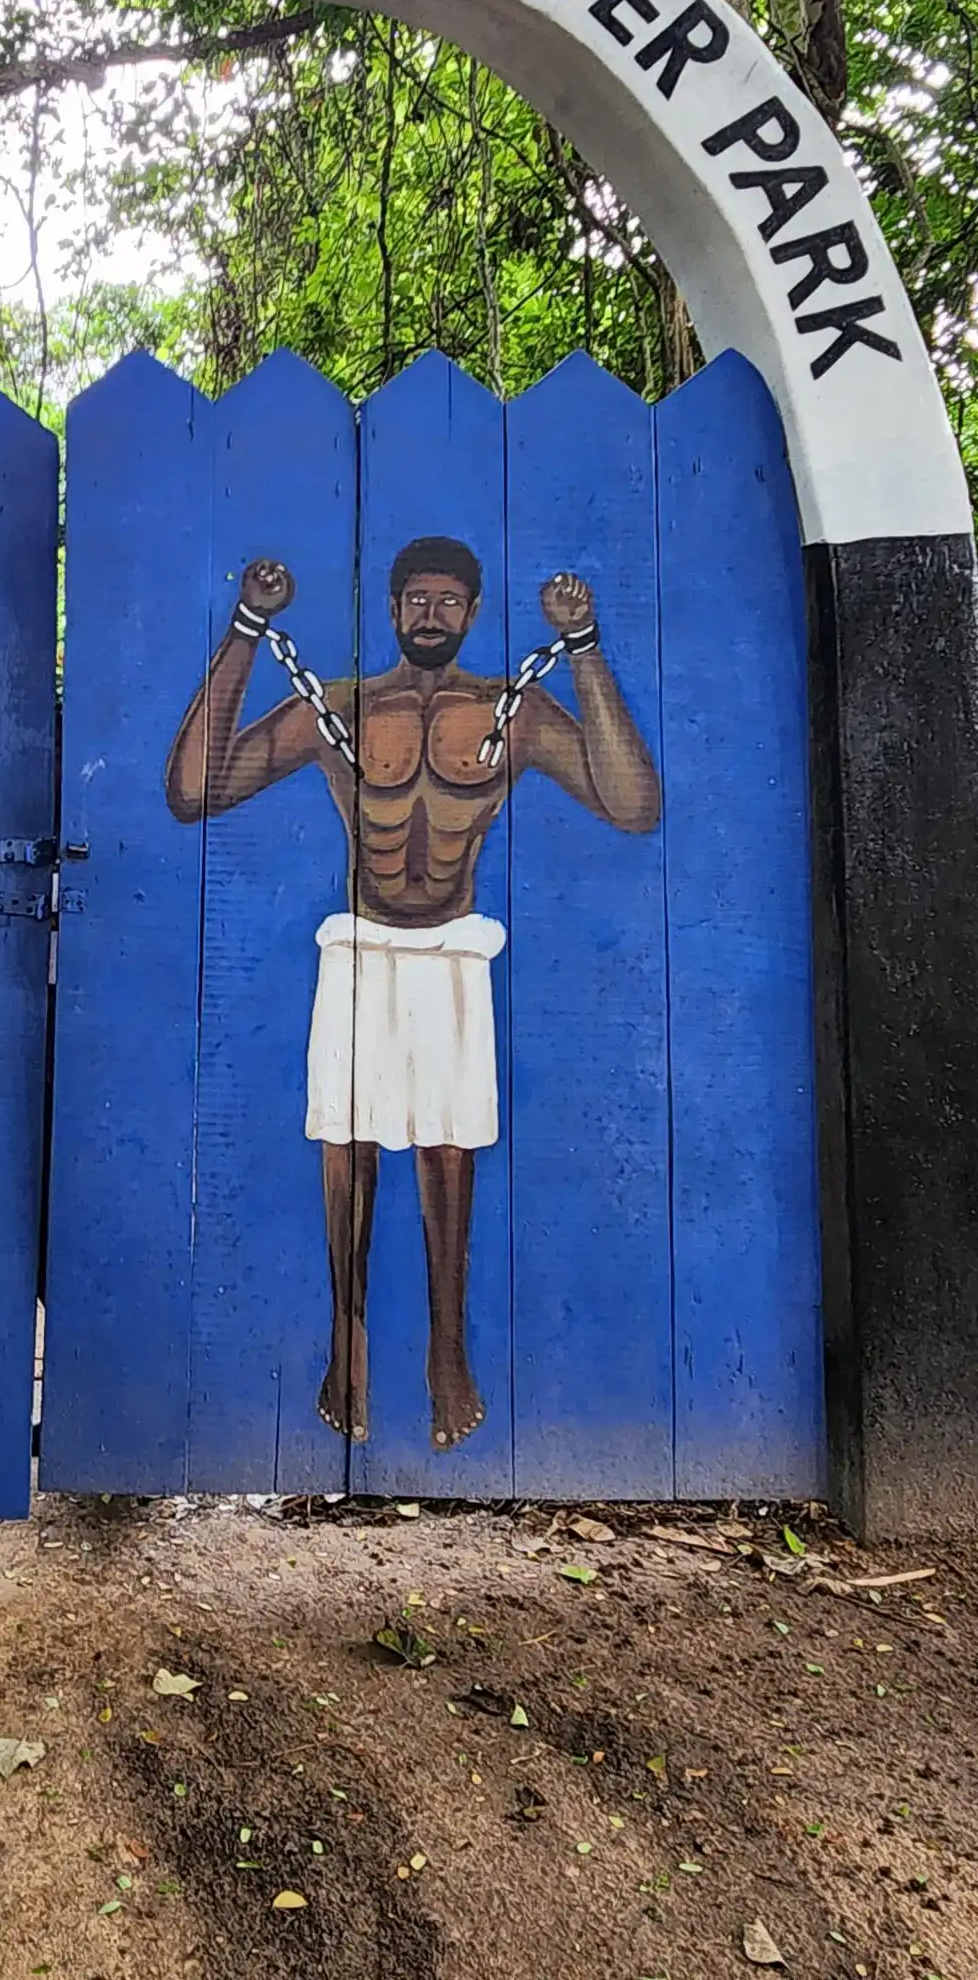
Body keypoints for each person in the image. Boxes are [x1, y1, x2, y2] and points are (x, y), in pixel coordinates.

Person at [166, 537, 658, 1452]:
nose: (430, 614)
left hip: (450, 954)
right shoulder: (344, 709)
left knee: (447, 1146)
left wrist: (583, 643)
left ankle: (446, 1352)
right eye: (415, 600)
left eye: (447, 601)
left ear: (471, 613)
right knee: (346, 1138)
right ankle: (346, 1336)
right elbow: (195, 788)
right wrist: (246, 629)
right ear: (393, 612)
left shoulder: (510, 711)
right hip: (360, 947)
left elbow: (632, 804)